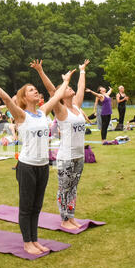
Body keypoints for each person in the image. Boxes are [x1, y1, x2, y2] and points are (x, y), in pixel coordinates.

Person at [0, 63, 76, 255]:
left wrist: (66, 82)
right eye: (31, 90)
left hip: (43, 166)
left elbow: (56, 97)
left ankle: (35, 240)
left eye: (36, 89)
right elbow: (5, 97)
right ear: (24, 97)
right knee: (26, 206)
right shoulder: (21, 115)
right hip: (27, 166)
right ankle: (27, 242)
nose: (36, 91)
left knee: (37, 206)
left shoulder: (42, 112)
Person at [30, 59, 90, 230]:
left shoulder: (77, 107)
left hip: (79, 156)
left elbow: (80, 88)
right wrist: (41, 71)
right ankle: (64, 220)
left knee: (73, 188)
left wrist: (82, 70)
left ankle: (71, 217)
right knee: (64, 188)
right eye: (67, 89)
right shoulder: (60, 110)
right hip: (66, 157)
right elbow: (51, 90)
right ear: (61, 95)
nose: (70, 90)